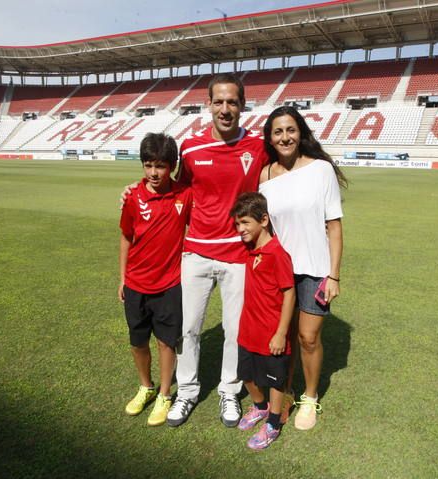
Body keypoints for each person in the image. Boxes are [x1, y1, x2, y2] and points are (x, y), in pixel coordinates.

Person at [165, 73, 270, 428]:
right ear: (208, 104)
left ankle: (229, 390)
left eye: (232, 102)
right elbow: (176, 192)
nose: (225, 109)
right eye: (219, 102)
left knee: (234, 331)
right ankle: (187, 392)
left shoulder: (257, 145)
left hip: (238, 255)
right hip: (195, 253)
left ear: (243, 105)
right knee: (189, 328)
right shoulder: (190, 147)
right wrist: (136, 187)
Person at [258, 106, 346, 431]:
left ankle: (310, 397)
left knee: (308, 337)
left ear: (301, 132)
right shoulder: (265, 175)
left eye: (290, 130)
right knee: (284, 338)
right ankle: (286, 392)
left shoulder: (321, 170)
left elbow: (334, 226)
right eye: (278, 131)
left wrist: (333, 275)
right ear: (270, 138)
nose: (285, 137)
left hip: (316, 269)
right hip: (281, 272)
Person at [119, 133, 193, 426]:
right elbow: (126, 236)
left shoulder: (184, 195)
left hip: (169, 285)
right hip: (136, 284)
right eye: (148, 165)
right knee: (138, 342)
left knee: (165, 342)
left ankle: (164, 394)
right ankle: (145, 387)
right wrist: (122, 278)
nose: (153, 173)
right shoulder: (133, 196)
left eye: (160, 166)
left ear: (172, 166)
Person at [230, 192, 295, 450]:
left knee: (275, 381)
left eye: (245, 222)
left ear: (264, 220)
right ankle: (259, 407)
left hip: (271, 332)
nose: (240, 229)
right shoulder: (248, 248)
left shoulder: (278, 253)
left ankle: (274, 423)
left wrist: (281, 333)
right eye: (237, 224)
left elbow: (289, 293)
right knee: (245, 375)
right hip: (248, 329)